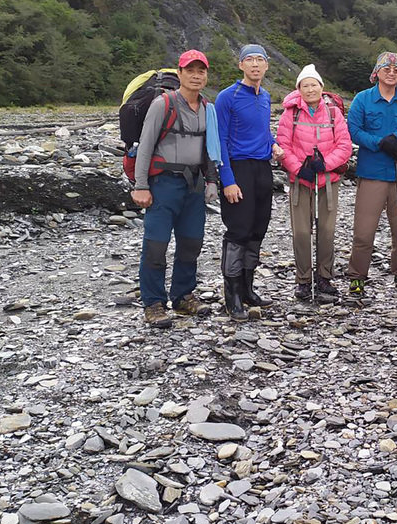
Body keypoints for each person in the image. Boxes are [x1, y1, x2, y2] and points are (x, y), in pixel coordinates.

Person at [131, 49, 218, 328]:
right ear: (179, 74)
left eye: (201, 70)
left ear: (206, 75)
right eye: (190, 70)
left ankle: (183, 296)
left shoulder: (208, 108)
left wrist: (212, 181)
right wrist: (140, 185)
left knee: (192, 242)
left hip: (194, 184)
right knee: (156, 244)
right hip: (163, 183)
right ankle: (153, 303)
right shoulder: (163, 104)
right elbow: (145, 146)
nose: (196, 75)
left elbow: (210, 148)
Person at [215, 44, 285, 320]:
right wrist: (227, 180)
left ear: (267, 66)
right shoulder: (226, 97)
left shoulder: (265, 96)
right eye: (249, 60)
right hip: (238, 168)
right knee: (238, 231)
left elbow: (261, 131)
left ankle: (247, 288)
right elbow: (219, 140)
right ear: (240, 65)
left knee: (258, 228)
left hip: (262, 169)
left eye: (260, 60)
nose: (255, 64)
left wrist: (275, 145)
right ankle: (231, 295)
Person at [345, 51, 397, 298]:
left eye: (396, 70)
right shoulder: (362, 99)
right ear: (377, 72)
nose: (391, 73)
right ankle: (357, 275)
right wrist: (380, 142)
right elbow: (354, 131)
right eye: (386, 69)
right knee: (364, 230)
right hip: (372, 173)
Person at [276, 64, 353, 303]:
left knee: (326, 231)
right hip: (300, 180)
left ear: (322, 87)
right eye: (305, 85)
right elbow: (282, 144)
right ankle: (303, 280)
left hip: (328, 181)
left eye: (314, 85)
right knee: (301, 232)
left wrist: (326, 164)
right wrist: (298, 168)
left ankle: (324, 277)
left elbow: (345, 145)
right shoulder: (291, 113)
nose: (310, 89)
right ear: (298, 89)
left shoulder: (333, 113)